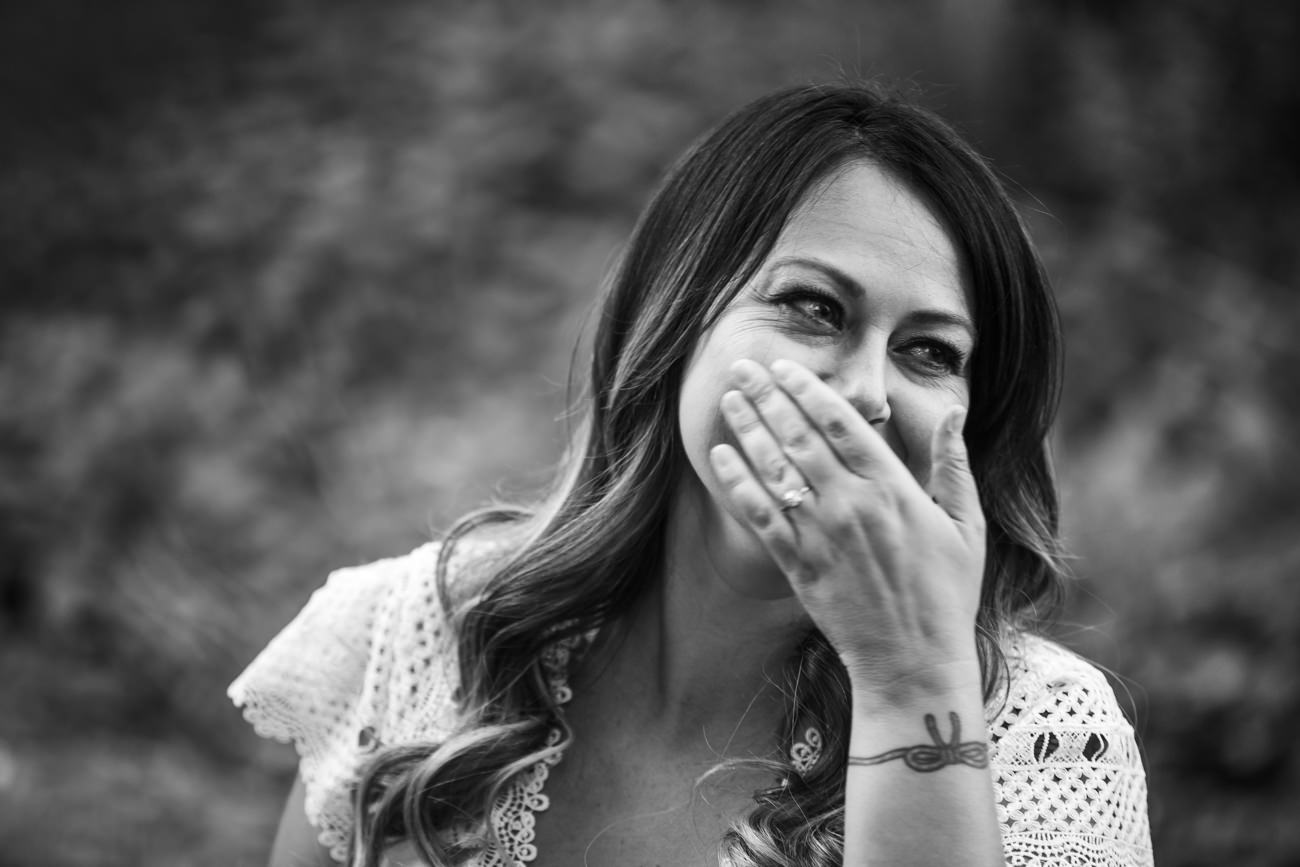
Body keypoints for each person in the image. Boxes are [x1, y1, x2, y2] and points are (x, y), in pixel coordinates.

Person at [230, 82, 1153, 866]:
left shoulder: (1046, 736)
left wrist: (912, 680)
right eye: (813, 307)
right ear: (673, 321)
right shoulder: (419, 632)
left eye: (928, 351)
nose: (866, 393)